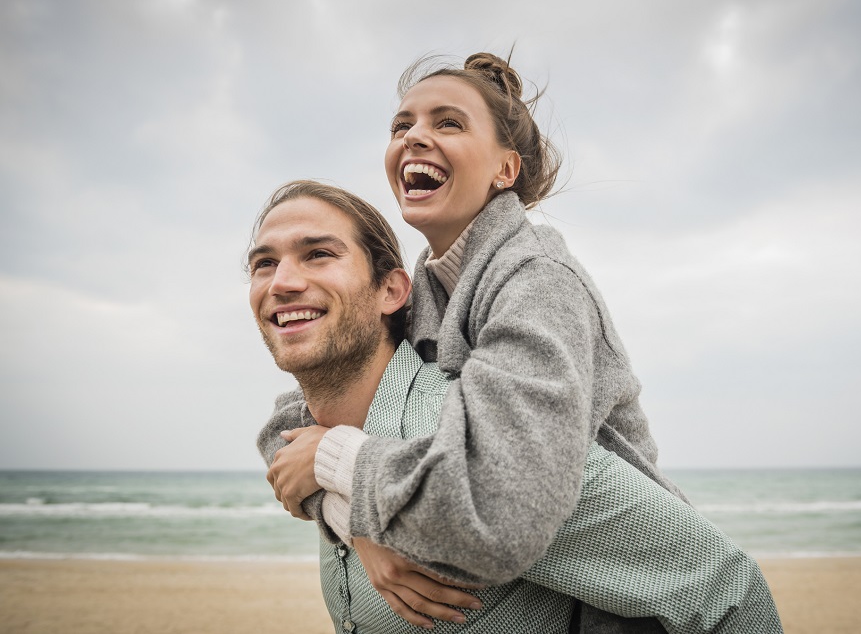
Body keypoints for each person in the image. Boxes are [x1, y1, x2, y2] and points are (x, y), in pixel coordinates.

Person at [253, 180, 782, 633]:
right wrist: (359, 517)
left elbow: (721, 583)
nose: (283, 282)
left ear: (391, 291)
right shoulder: (307, 444)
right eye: (264, 264)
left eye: (318, 254)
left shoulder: (476, 438)